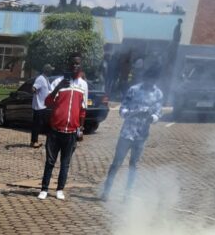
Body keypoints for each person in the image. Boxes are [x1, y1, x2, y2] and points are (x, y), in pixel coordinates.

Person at [101, 66, 163, 200]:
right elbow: (122, 109)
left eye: (153, 80)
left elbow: (158, 113)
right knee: (117, 162)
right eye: (149, 79)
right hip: (127, 133)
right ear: (145, 78)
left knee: (134, 165)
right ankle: (106, 191)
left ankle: (127, 194)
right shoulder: (134, 90)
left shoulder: (158, 94)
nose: (151, 82)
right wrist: (132, 113)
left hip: (142, 135)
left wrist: (151, 118)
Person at [38, 55, 87, 201]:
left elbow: (83, 109)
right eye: (73, 63)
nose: (75, 66)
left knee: (65, 164)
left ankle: (60, 189)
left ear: (81, 65)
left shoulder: (83, 85)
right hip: (55, 131)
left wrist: (81, 129)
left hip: (71, 133)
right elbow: (47, 102)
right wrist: (58, 88)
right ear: (68, 64)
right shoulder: (57, 82)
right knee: (50, 162)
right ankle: (44, 189)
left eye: (77, 64)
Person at [31, 63, 54, 148]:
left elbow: (49, 90)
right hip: (38, 106)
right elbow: (34, 88)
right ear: (47, 71)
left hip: (43, 105)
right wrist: (35, 92)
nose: (51, 71)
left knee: (41, 124)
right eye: (50, 70)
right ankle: (34, 142)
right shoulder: (40, 79)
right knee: (37, 124)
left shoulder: (46, 79)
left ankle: (36, 141)